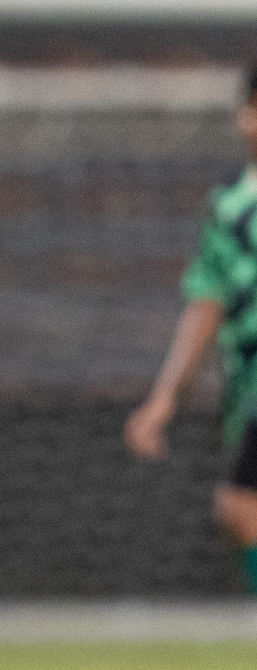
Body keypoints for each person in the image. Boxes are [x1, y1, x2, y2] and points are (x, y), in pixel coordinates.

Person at [125, 67, 257, 594]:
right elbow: (207, 302)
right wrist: (165, 398)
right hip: (246, 386)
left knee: (240, 506)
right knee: (239, 513)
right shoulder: (229, 205)